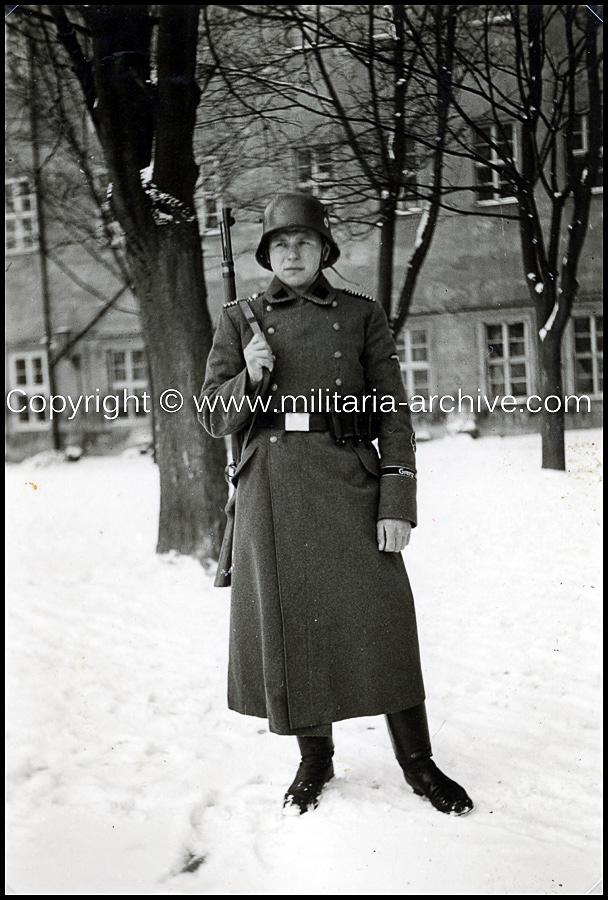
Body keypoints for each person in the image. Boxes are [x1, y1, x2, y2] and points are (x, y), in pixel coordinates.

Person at [199, 193, 473, 817]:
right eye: (279, 245)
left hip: (350, 480)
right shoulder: (240, 318)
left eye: (303, 242)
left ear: (324, 250)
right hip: (270, 490)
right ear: (266, 255)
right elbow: (214, 417)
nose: (291, 253)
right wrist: (250, 375)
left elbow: (394, 414)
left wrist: (396, 503)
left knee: (384, 617)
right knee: (294, 622)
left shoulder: (361, 314)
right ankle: (314, 757)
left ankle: (418, 761)